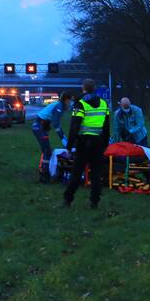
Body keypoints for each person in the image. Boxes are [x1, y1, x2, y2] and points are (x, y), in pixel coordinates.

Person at [63, 79, 110, 210]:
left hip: (84, 143)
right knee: (96, 175)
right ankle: (94, 202)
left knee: (76, 174)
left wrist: (69, 146)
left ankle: (68, 199)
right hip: (99, 143)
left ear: (83, 88)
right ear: (94, 88)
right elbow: (106, 126)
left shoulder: (80, 104)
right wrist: (106, 143)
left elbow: (74, 126)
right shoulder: (104, 104)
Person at [32, 91, 74, 183]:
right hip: (39, 127)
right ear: (66, 99)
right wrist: (63, 138)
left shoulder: (58, 105)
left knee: (46, 151)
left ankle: (44, 173)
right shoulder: (59, 106)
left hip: (40, 127)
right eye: (70, 101)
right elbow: (56, 124)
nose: (71, 103)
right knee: (47, 151)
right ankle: (45, 176)